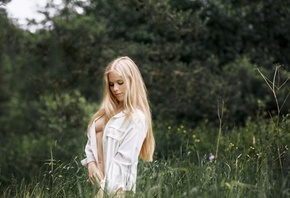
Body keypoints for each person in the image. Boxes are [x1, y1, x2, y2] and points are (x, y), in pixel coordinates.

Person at [81, 56, 155, 197]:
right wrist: (90, 164)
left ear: (132, 81)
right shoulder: (107, 110)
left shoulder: (136, 118)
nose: (115, 89)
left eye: (120, 83)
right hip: (93, 187)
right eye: (111, 84)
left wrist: (102, 192)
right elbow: (91, 142)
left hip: (116, 190)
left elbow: (123, 163)